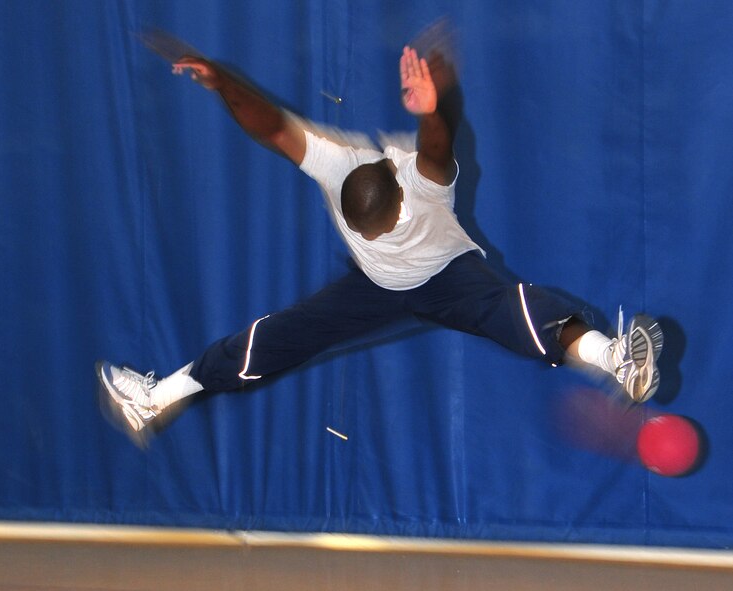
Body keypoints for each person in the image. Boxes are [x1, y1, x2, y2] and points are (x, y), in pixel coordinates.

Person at [96, 43, 664, 440]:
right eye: (366, 233)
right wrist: (223, 83)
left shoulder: (422, 180)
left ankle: (615, 359)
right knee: (272, 338)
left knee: (519, 309)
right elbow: (270, 125)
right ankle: (156, 399)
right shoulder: (334, 165)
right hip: (373, 286)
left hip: (448, 275)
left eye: (385, 228)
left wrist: (431, 111)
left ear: (398, 191)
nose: (380, 235)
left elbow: (438, 146)